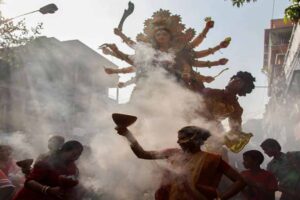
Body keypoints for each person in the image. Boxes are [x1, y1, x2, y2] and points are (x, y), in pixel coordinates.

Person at [115, 125, 245, 200]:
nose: (178, 142)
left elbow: (240, 181)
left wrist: (221, 198)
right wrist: (128, 135)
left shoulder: (212, 159)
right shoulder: (173, 153)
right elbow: (142, 154)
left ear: (194, 139)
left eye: (182, 139)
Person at [200, 71, 256, 153]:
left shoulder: (237, 108)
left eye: (240, 81)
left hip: (209, 131)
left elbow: (235, 130)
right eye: (234, 78)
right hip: (190, 121)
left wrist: (220, 138)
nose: (235, 81)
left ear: (243, 88)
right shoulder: (210, 92)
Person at [14, 140, 83, 200]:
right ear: (64, 150)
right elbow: (29, 182)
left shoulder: (72, 167)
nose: (76, 158)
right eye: (73, 154)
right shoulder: (46, 161)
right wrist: (48, 190)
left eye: (78, 155)